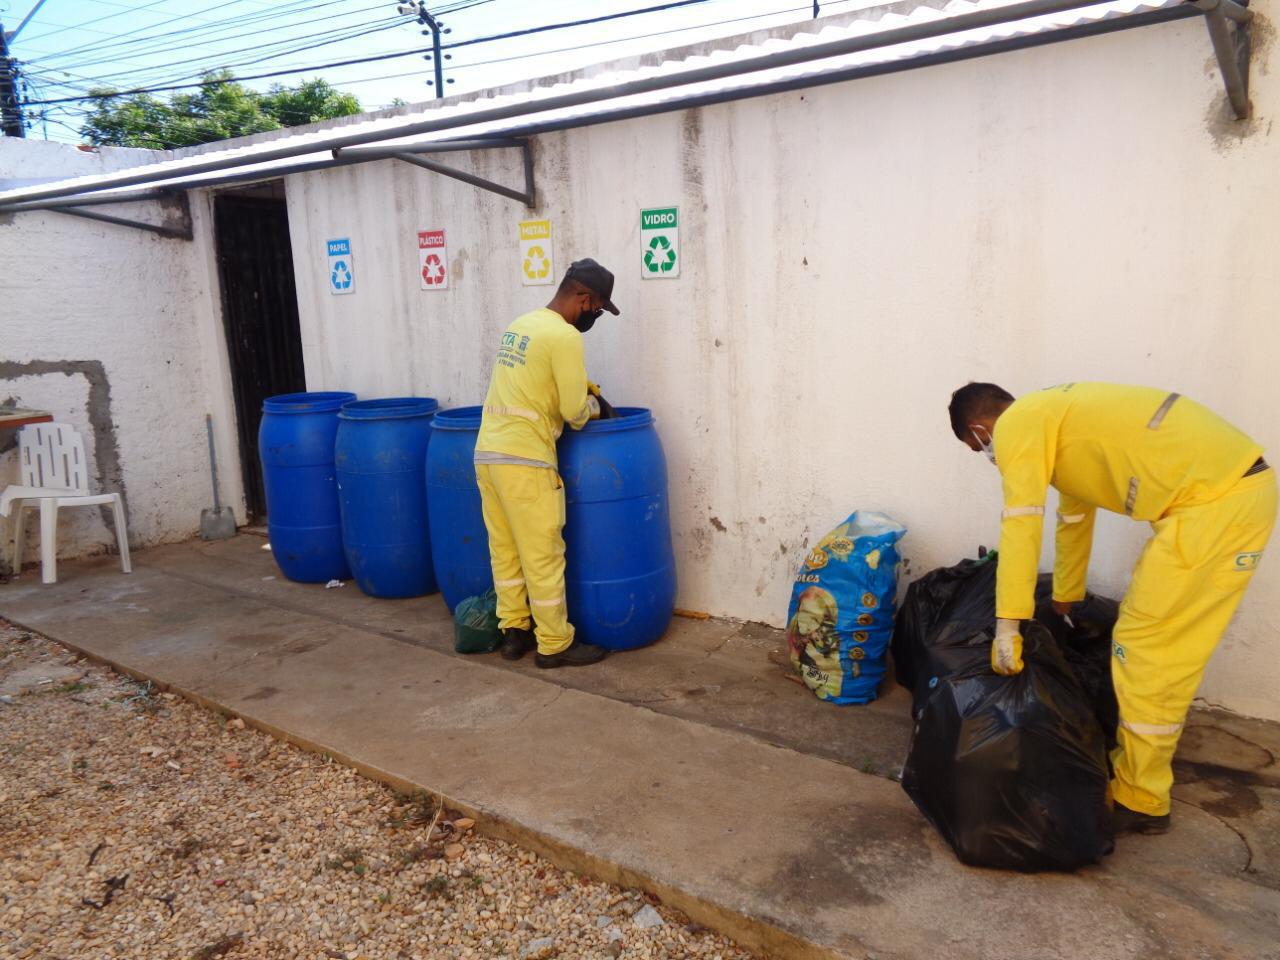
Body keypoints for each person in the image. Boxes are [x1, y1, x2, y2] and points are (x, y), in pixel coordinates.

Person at [948, 381, 1276, 835]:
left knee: (1147, 646)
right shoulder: (1058, 419)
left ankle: (1142, 797)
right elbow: (1074, 517)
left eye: (979, 447)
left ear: (980, 428)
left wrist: (1008, 626)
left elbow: (1021, 523)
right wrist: (1065, 597)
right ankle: (1141, 775)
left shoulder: (1019, 423)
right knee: (1164, 645)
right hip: (1230, 499)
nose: (991, 455)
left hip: (1212, 509)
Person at [473, 259, 620, 668]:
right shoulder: (565, 336)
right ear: (583, 298)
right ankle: (554, 643)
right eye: (598, 307)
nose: (595, 316)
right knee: (542, 552)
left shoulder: (519, 325)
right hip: (525, 460)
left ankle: (514, 632)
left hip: (487, 452)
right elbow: (573, 412)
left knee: (504, 550)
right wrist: (593, 402)